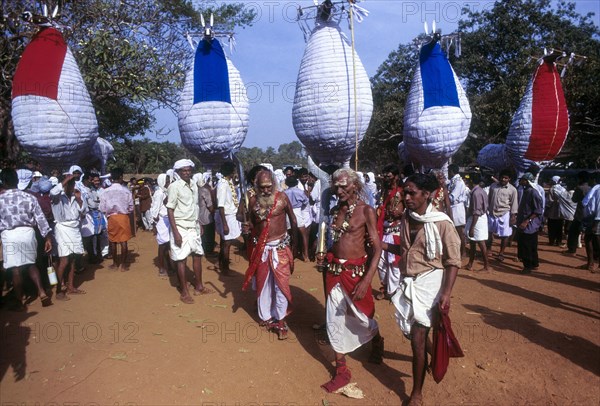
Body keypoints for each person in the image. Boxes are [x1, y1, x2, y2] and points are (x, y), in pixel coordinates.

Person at [383, 173, 461, 405]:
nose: (406, 197)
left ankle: (416, 394)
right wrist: (382, 244)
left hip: (430, 283)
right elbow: (406, 251)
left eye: (412, 192)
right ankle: (434, 353)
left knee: (417, 337)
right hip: (409, 282)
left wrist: (446, 293)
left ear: (426, 194)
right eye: (404, 192)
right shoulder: (408, 218)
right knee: (410, 331)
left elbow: (453, 261)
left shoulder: (442, 222)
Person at [317, 168, 384, 393]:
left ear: (355, 185)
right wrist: (324, 255)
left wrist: (367, 279)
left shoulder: (366, 211)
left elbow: (377, 249)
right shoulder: (336, 210)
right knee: (334, 319)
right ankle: (342, 370)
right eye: (336, 186)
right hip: (333, 270)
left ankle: (376, 339)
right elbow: (335, 240)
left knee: (363, 316)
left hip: (356, 273)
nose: (339, 190)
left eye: (344, 185)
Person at [242, 170, 298, 339]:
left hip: (280, 248)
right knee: (263, 284)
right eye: (262, 187)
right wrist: (247, 227)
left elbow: (293, 220)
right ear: (257, 187)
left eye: (269, 187)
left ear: (273, 184)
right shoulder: (252, 201)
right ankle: (266, 315)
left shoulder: (282, 198)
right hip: (261, 249)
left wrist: (295, 246)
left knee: (280, 285)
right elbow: (251, 224)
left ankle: (281, 320)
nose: (266, 191)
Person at [0, 168, 53, 310]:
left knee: (16, 268)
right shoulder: (29, 197)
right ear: (17, 181)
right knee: (31, 264)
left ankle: (20, 299)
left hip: (9, 235)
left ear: (3, 182)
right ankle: (41, 292)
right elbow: (40, 219)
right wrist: (47, 237)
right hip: (28, 233)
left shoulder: (0, 199)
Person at [167, 159, 212, 304]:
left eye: (188, 170)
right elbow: (170, 209)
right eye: (184, 171)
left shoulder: (193, 184)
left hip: (193, 225)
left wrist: (199, 223)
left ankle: (199, 286)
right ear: (178, 172)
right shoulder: (174, 187)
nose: (187, 172)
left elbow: (195, 206)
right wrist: (175, 232)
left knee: (197, 255)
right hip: (180, 226)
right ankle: (184, 291)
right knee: (181, 258)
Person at [50, 173, 88, 299]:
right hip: (63, 229)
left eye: (72, 184)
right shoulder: (57, 197)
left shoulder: (75, 197)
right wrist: (66, 179)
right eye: (69, 184)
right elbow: (53, 191)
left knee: (73, 259)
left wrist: (80, 200)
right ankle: (59, 291)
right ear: (64, 184)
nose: (72, 186)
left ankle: (71, 286)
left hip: (75, 229)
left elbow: (83, 213)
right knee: (64, 260)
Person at [376, 163, 404, 299]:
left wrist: (400, 213)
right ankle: (385, 286)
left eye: (389, 175)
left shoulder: (403, 191)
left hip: (396, 231)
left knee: (393, 262)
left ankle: (394, 291)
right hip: (383, 230)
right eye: (384, 175)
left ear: (396, 177)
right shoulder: (383, 191)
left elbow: (408, 211)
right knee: (380, 262)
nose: (386, 178)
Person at [99, 168, 134, 271]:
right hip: (123, 217)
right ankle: (123, 265)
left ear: (111, 178)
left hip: (112, 218)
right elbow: (131, 207)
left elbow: (102, 208)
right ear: (120, 177)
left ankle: (115, 264)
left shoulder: (105, 191)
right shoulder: (126, 191)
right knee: (124, 241)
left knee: (113, 241)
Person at [215, 161, 241, 275]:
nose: (235, 172)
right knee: (227, 242)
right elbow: (221, 206)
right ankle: (225, 268)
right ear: (230, 171)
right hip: (226, 216)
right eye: (234, 170)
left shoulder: (228, 182)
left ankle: (221, 262)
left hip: (231, 215)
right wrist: (225, 224)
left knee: (225, 241)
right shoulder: (222, 185)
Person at [487, 169, 518, 261]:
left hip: (504, 214)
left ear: (509, 179)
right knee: (489, 233)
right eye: (502, 177)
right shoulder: (493, 186)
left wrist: (513, 216)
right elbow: (489, 199)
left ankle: (501, 253)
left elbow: (514, 203)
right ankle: (488, 249)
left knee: (505, 235)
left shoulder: (513, 190)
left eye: (506, 178)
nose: (503, 179)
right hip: (492, 213)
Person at [516, 172, 544, 274]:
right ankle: (534, 264)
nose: (520, 181)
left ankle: (528, 266)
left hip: (529, 224)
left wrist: (526, 221)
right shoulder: (526, 191)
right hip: (527, 223)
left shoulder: (533, 192)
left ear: (527, 181)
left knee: (527, 245)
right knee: (531, 245)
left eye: (522, 180)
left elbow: (538, 210)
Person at [465, 172, 490, 272]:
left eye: (468, 180)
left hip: (477, 219)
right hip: (477, 218)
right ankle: (470, 264)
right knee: (473, 242)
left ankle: (486, 266)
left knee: (480, 242)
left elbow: (476, 211)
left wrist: (472, 227)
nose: (466, 182)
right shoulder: (479, 190)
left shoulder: (476, 193)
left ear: (471, 181)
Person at [80, 172, 105, 264]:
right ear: (85, 180)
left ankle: (96, 254)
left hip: (93, 214)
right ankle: (92, 256)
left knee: (97, 235)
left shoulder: (91, 189)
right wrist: (97, 203)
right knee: (91, 237)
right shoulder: (84, 190)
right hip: (88, 215)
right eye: (90, 180)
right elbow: (93, 204)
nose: (92, 182)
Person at [284, 176, 310, 261]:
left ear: (287, 183)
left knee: (289, 234)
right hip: (298, 212)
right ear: (296, 183)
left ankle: (291, 254)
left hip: (288, 213)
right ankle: (305, 255)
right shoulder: (300, 192)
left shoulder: (284, 193)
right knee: (303, 234)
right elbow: (306, 201)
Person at [150, 173, 171, 276]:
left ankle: (169, 265)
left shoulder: (166, 191)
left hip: (168, 220)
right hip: (162, 220)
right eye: (166, 181)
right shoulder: (159, 193)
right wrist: (154, 224)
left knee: (167, 244)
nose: (168, 183)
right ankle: (162, 268)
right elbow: (155, 209)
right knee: (162, 244)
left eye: (168, 180)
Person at [447, 164, 469, 257]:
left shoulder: (459, 182)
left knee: (460, 232)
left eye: (448, 171)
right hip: (452, 207)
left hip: (457, 208)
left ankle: (463, 252)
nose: (448, 173)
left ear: (452, 171)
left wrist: (443, 197)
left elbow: (452, 196)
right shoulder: (453, 181)